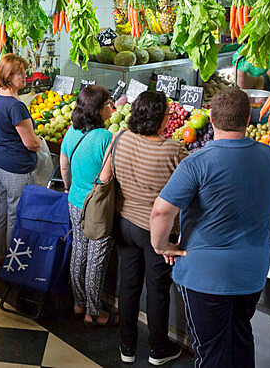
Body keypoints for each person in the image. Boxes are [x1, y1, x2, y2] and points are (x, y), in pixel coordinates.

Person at [151, 86, 270, 368]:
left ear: (211, 120)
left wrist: (161, 246)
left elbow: (162, 210)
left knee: (211, 352)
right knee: (240, 340)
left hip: (205, 276)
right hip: (251, 273)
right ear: (248, 119)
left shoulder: (196, 162)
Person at [103, 90, 187, 365]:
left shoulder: (120, 138)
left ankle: (127, 347)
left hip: (123, 223)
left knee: (128, 286)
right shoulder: (174, 150)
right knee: (157, 288)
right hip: (156, 231)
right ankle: (158, 349)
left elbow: (105, 177)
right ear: (161, 120)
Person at [59, 85, 117, 326]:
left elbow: (64, 165)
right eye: (108, 104)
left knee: (78, 252)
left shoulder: (71, 132)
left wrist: (68, 187)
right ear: (98, 109)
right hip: (97, 207)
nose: (112, 108)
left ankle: (78, 302)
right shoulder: (106, 138)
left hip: (74, 200)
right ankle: (93, 312)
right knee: (96, 257)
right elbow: (105, 178)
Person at [0, 53, 40, 273]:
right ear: (9, 76)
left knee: (3, 211)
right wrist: (40, 142)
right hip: (16, 168)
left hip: (0, 163)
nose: (25, 77)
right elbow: (30, 143)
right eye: (20, 73)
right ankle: (13, 264)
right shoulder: (15, 106)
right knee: (15, 215)